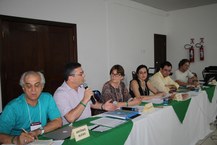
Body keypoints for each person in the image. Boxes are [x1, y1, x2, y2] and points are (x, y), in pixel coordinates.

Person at [0, 71, 62, 145]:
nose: (33, 90)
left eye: (37, 85)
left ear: (42, 86)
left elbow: (58, 122)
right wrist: (16, 140)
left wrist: (38, 131)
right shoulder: (12, 108)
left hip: (40, 140)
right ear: (23, 88)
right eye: (29, 86)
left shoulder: (47, 98)